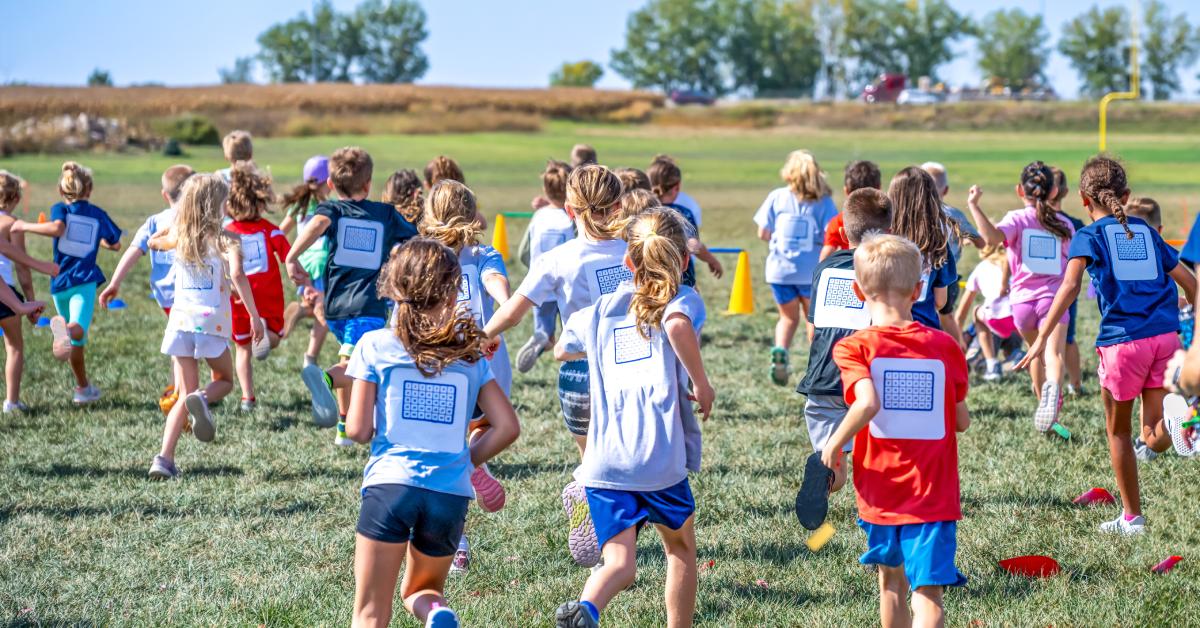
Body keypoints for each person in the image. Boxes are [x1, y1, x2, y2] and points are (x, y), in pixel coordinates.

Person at [344, 239, 520, 628]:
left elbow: (356, 430)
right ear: (453, 291)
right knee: (422, 592)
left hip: (390, 486)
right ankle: (437, 614)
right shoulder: (469, 354)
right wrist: (465, 459)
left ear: (396, 286)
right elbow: (507, 427)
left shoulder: (374, 346)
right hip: (449, 493)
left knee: (370, 612)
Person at [553, 208, 713, 628]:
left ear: (628, 262)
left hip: (604, 462)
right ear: (682, 261)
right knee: (679, 549)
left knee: (619, 563)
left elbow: (562, 348)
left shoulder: (603, 309)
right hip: (658, 458)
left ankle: (586, 609)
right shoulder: (683, 301)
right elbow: (677, 325)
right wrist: (701, 383)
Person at [1019, 156, 1196, 535]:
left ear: (1084, 199)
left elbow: (1068, 288)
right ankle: (1180, 420)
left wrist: (1043, 339)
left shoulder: (1090, 235)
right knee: (1153, 435)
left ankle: (1132, 518)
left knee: (1119, 433)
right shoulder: (1148, 232)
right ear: (1126, 196)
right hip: (1165, 339)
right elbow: (1191, 283)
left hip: (1123, 345)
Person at [813, 234, 970, 628]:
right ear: (919, 290)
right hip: (934, 491)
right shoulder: (945, 346)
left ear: (856, 289)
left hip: (880, 490)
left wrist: (833, 443)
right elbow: (962, 421)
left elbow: (866, 403)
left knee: (890, 584)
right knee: (929, 593)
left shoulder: (854, 348)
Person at [484, 165, 627, 456]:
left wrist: (480, 337)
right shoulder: (635, 252)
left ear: (569, 211)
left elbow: (512, 313)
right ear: (618, 206)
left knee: (592, 462)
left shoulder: (557, 259)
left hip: (581, 371)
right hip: (633, 364)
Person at [286, 146, 418, 446]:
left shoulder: (332, 210)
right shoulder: (384, 214)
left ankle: (344, 427)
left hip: (334, 308)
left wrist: (292, 256)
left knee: (350, 358)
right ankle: (325, 380)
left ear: (330, 185)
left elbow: (317, 225)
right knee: (354, 365)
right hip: (367, 306)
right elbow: (415, 238)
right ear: (369, 183)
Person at [146, 174, 264, 479]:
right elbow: (237, 275)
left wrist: (174, 226)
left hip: (180, 322)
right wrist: (253, 315)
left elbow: (152, 241)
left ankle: (163, 459)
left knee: (184, 394)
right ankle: (202, 397)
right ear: (219, 206)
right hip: (211, 323)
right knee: (224, 380)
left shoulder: (180, 238)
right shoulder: (227, 239)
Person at [794, 188, 892, 521]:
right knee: (878, 454)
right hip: (865, 380)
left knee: (834, 466)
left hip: (821, 378)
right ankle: (882, 510)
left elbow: (812, 331)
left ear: (843, 230)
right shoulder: (882, 269)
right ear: (888, 231)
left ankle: (823, 476)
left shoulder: (823, 269)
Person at [966, 162, 1075, 434]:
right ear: (1054, 192)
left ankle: (1043, 407)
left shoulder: (1017, 219)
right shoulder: (1064, 225)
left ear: (1019, 191)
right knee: (1053, 352)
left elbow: (991, 238)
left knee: (1033, 354)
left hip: (1022, 304)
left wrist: (974, 206)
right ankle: (1052, 390)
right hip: (1053, 300)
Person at [13, 161, 121, 404]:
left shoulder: (59, 208)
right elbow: (115, 243)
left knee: (75, 341)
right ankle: (61, 327)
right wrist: (99, 239)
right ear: (89, 189)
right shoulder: (97, 214)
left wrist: (27, 226)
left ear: (61, 191)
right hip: (83, 281)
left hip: (59, 284)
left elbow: (58, 226)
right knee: (76, 328)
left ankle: (83, 388)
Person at [100, 164, 196, 413]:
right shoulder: (195, 219)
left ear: (165, 195)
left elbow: (134, 250)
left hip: (164, 296)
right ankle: (181, 395)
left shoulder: (155, 221)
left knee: (182, 344)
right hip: (191, 295)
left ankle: (178, 389)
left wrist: (114, 282)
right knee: (189, 346)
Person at [753, 150, 839, 386]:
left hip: (780, 272)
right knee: (813, 320)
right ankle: (817, 364)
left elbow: (763, 232)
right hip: (810, 273)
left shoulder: (777, 196)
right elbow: (831, 234)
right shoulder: (824, 202)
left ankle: (780, 350)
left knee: (787, 318)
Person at [225, 162, 291, 412]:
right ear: (261, 202)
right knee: (272, 338)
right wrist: (301, 277)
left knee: (242, 349)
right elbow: (288, 258)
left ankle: (247, 398)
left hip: (240, 298)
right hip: (268, 297)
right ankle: (266, 334)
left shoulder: (227, 233)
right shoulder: (272, 232)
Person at [0, 171, 54, 413]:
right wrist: (31, 301)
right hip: (7, 293)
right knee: (14, 347)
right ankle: (11, 402)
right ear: (16, 199)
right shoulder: (13, 225)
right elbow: (21, 266)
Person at [516, 160, 575, 373]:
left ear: (545, 189)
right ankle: (569, 350)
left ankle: (543, 336)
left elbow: (524, 251)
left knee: (545, 327)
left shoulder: (538, 216)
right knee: (572, 327)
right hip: (568, 286)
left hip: (540, 284)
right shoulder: (572, 218)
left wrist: (533, 269)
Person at [886, 167, 955, 333]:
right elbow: (940, 301)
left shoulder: (882, 241)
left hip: (887, 328)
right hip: (925, 330)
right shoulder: (938, 242)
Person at [279, 155, 332, 368]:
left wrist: (288, 255)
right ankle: (310, 358)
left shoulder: (299, 206)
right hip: (321, 262)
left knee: (315, 305)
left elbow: (280, 231)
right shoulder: (330, 206)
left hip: (303, 262)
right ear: (328, 181)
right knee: (324, 311)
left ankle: (301, 310)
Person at [648, 157, 723, 288]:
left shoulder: (643, 211)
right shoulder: (683, 213)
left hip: (649, 280)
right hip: (681, 282)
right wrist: (712, 260)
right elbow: (693, 244)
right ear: (677, 186)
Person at [1048, 166, 1087, 395]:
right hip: (1066, 288)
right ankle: (1076, 384)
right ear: (1064, 191)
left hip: (1037, 290)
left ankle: (1052, 385)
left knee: (1047, 340)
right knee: (1068, 339)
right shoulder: (1076, 225)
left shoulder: (1032, 221)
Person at [954, 245, 1016, 382]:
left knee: (977, 310)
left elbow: (960, 314)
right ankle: (1021, 357)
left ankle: (991, 364)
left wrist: (959, 339)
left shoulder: (982, 267)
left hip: (995, 320)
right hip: (1020, 318)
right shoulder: (1016, 263)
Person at [820, 160, 882, 260]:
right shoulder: (885, 218)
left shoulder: (839, 221)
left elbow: (826, 254)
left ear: (846, 190)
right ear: (879, 189)